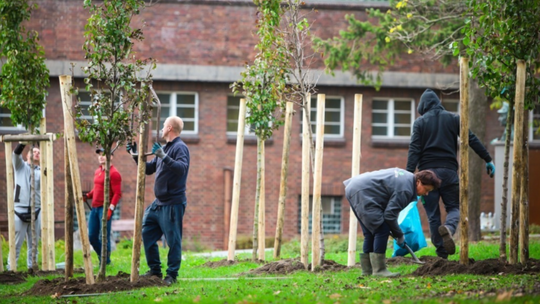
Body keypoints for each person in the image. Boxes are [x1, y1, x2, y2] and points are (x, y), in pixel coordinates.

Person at [406, 88, 495, 259]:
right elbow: (471, 139)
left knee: (433, 215)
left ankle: (441, 255)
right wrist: (488, 159)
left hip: (426, 176)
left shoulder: (420, 122)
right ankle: (450, 228)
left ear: (423, 106)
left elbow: (414, 150)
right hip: (449, 173)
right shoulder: (454, 119)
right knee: (454, 207)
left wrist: (409, 175)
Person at [127, 116, 190, 286]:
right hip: (158, 203)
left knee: (173, 241)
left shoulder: (180, 148)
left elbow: (181, 169)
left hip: (172, 203)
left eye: (163, 126)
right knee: (146, 233)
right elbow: (148, 169)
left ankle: (172, 275)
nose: (162, 129)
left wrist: (164, 157)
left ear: (170, 128)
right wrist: (134, 155)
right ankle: (155, 270)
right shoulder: (163, 148)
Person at [344, 168, 441, 277]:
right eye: (426, 189)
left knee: (370, 232)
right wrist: (399, 234)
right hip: (363, 191)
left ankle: (367, 271)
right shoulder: (406, 189)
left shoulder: (408, 178)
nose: (426, 194)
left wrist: (396, 232)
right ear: (418, 182)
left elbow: (389, 211)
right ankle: (379, 271)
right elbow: (390, 215)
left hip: (354, 187)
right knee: (382, 230)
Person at [85, 148, 122, 266]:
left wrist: (110, 209)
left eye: (104, 154)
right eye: (99, 155)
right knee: (92, 236)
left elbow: (117, 193)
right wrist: (88, 195)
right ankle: (104, 258)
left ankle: (105, 262)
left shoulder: (114, 173)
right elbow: (97, 188)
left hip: (104, 208)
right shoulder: (98, 171)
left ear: (111, 156)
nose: (101, 157)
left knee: (104, 236)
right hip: (94, 209)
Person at [8, 143, 41, 270]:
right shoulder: (20, 166)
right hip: (19, 209)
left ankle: (32, 268)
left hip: (36, 209)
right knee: (16, 243)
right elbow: (15, 154)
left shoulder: (43, 171)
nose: (37, 153)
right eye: (34, 151)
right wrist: (22, 142)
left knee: (34, 244)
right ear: (27, 155)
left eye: (39, 152)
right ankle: (12, 269)